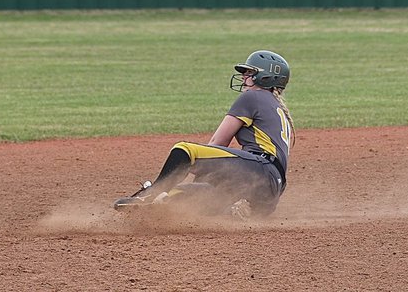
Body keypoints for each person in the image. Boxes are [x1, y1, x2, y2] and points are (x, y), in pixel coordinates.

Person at [113, 50, 294, 219]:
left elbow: (217, 142)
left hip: (260, 171)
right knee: (196, 193)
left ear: (265, 77)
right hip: (267, 193)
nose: (243, 77)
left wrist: (197, 169)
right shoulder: (276, 108)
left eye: (249, 73)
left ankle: (150, 196)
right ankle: (233, 209)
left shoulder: (252, 97)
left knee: (185, 151)